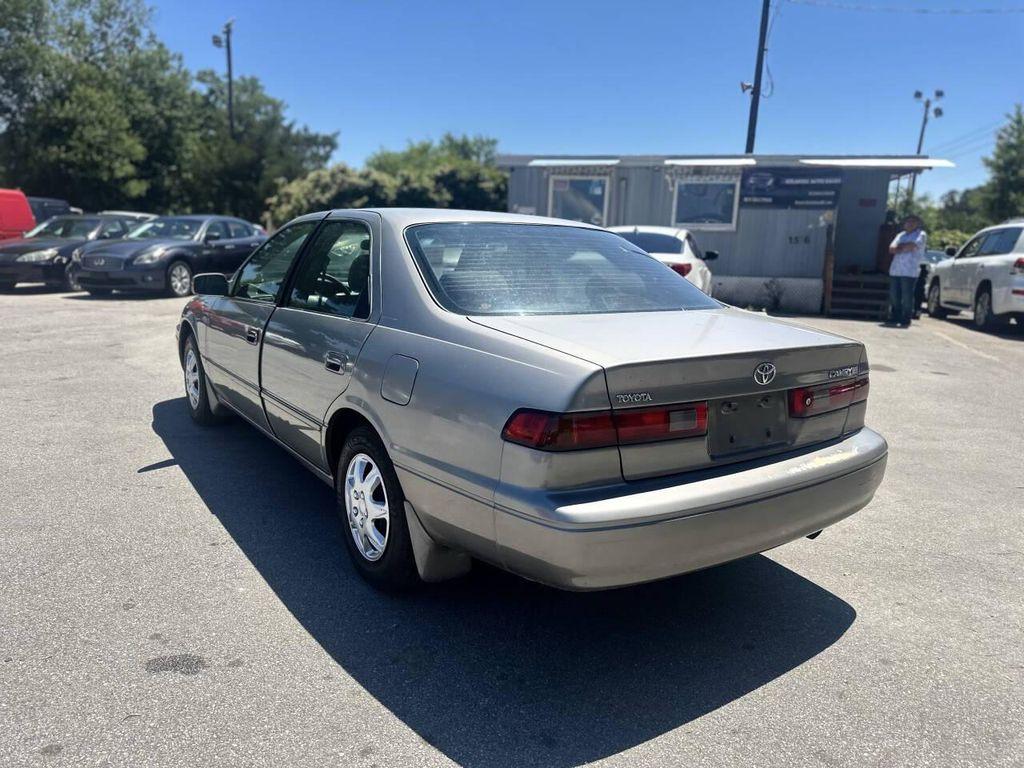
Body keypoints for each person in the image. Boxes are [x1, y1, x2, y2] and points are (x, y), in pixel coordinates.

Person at [886, 215, 926, 327]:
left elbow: (913, 246)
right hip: (895, 270)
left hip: (909, 271)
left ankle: (905, 318)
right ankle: (895, 316)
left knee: (907, 296)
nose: (910, 224)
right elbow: (891, 248)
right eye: (908, 222)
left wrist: (899, 247)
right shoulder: (901, 235)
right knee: (894, 295)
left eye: (913, 222)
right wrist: (903, 247)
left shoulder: (920, 234)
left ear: (917, 224)